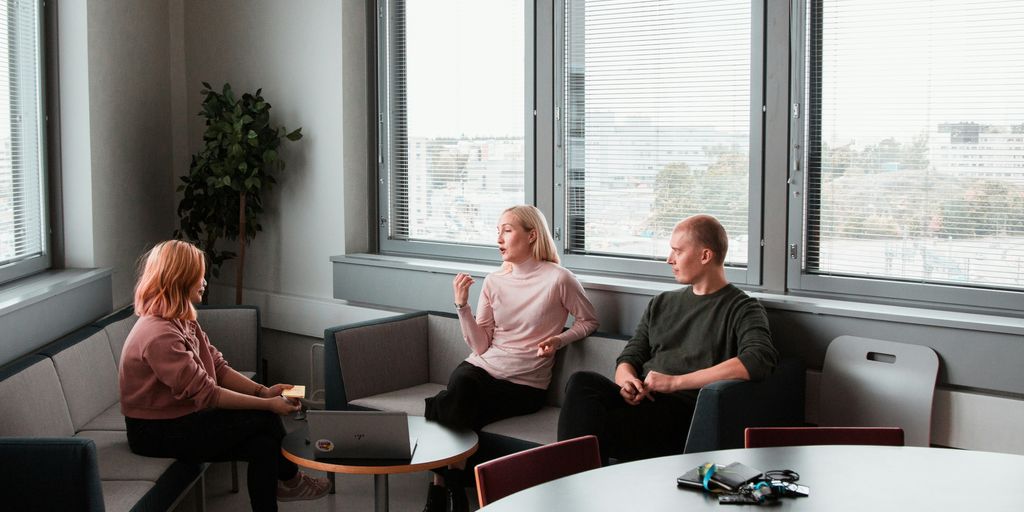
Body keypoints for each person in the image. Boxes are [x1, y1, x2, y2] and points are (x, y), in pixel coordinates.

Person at [119, 240, 329, 512]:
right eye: (199, 276)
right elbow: (208, 394)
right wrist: (268, 405)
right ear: (180, 279)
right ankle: (292, 479)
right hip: (154, 432)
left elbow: (217, 367)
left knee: (263, 446)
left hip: (179, 418)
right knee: (264, 418)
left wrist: (262, 391)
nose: (205, 282)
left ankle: (288, 483)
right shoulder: (158, 335)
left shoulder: (181, 319)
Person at [557, 214, 778, 464]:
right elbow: (630, 356)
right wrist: (627, 382)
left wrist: (674, 383)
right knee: (582, 383)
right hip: (640, 402)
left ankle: (568, 484)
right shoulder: (662, 303)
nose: (669, 259)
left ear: (705, 256)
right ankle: (573, 481)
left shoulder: (742, 308)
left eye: (677, 251)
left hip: (680, 412)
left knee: (589, 434)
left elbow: (758, 360)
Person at [423, 205, 599, 512]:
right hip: (482, 368)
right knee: (463, 385)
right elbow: (480, 346)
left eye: (507, 230)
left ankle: (439, 491)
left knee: (449, 403)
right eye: (498, 231)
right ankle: (451, 492)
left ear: (531, 235)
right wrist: (461, 306)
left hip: (524, 385)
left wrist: (559, 340)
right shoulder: (494, 281)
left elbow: (588, 321)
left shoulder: (559, 279)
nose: (499, 239)